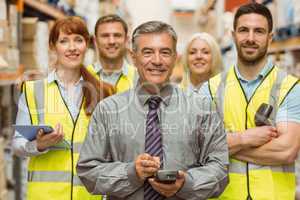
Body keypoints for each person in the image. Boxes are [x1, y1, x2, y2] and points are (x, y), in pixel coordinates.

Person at [76, 20, 229, 200]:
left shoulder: (202, 109)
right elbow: (88, 170)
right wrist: (131, 173)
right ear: (133, 57)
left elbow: (220, 169)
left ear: (175, 57)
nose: (157, 61)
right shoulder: (108, 110)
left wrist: (187, 183)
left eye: (165, 52)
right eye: (147, 52)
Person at [200, 3, 300, 199]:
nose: (251, 38)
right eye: (244, 30)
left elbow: (285, 150)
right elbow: (198, 147)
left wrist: (225, 146)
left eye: (259, 31)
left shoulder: (290, 88)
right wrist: (245, 138)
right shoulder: (210, 89)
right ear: (233, 35)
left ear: (270, 38)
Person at [12, 16, 114, 200]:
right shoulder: (32, 90)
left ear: (87, 44)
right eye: (64, 41)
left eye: (78, 40)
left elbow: (110, 151)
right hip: (45, 196)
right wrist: (39, 145)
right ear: (53, 46)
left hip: (88, 196)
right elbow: (17, 145)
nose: (72, 47)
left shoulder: (103, 92)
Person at [86, 14, 136, 93]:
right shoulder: (83, 76)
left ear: (126, 40)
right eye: (105, 36)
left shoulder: (138, 79)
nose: (111, 41)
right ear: (95, 41)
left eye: (117, 35)